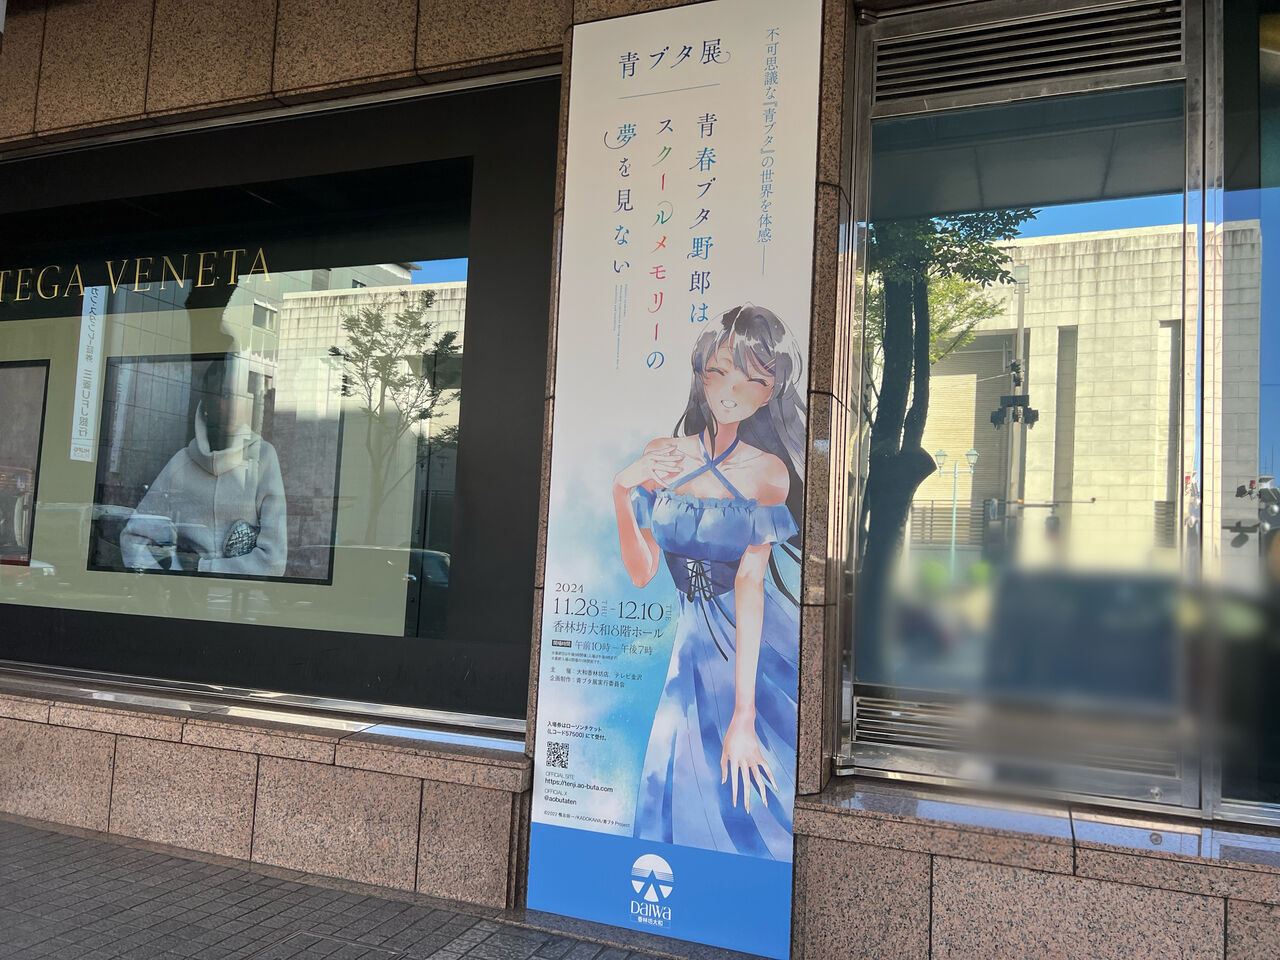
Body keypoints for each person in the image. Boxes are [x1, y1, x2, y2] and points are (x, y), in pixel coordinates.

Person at [612, 304, 805, 861]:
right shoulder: (663, 456)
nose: (732, 391)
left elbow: (750, 584)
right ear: (701, 375)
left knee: (749, 781)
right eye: (720, 372)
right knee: (674, 772)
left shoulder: (767, 472)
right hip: (690, 641)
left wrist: (745, 713)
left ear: (770, 393)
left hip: (751, 643)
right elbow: (642, 572)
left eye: (754, 380)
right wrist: (622, 491)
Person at [120, 358, 287, 577]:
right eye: (221, 394)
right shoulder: (181, 463)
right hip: (186, 595)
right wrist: (168, 579)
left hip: (243, 597)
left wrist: (201, 568)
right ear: (205, 402)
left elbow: (274, 562)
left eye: (236, 395)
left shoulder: (263, 458)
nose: (229, 404)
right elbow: (133, 539)